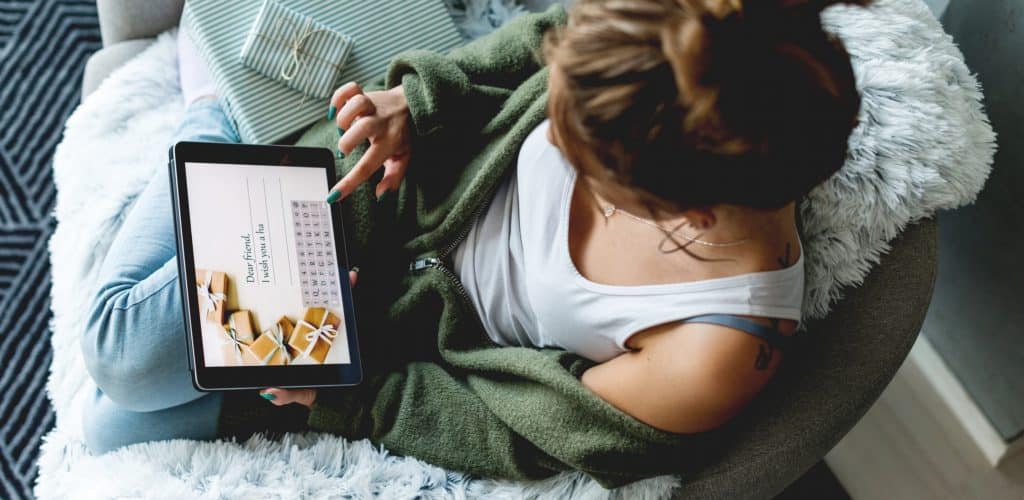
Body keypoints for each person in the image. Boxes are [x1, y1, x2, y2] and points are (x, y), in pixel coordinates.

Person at [81, 0, 865, 487]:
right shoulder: (694, 32)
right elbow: (548, 39)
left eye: (588, 169)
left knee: (112, 430)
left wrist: (354, 400)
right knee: (121, 353)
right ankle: (215, 115)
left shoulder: (712, 354)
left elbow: (513, 429)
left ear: (683, 214)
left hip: (385, 340)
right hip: (377, 185)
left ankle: (218, 129)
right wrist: (413, 104)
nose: (553, 136)